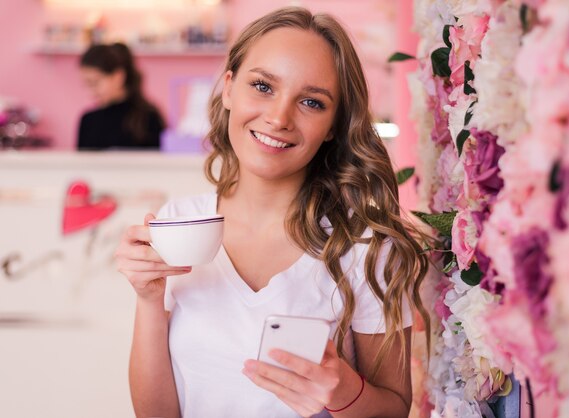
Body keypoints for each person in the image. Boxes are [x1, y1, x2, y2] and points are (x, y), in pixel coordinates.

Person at [115, 7, 429, 418]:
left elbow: (394, 409)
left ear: (334, 125)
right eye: (263, 86)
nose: (279, 117)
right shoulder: (180, 222)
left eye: (312, 102)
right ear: (228, 88)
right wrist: (148, 298)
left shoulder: (365, 246)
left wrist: (344, 392)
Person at [77, 42, 165, 150]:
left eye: (95, 83)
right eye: (87, 84)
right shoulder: (88, 121)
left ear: (118, 77)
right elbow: (81, 165)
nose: (91, 92)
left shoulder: (148, 118)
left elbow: (160, 163)